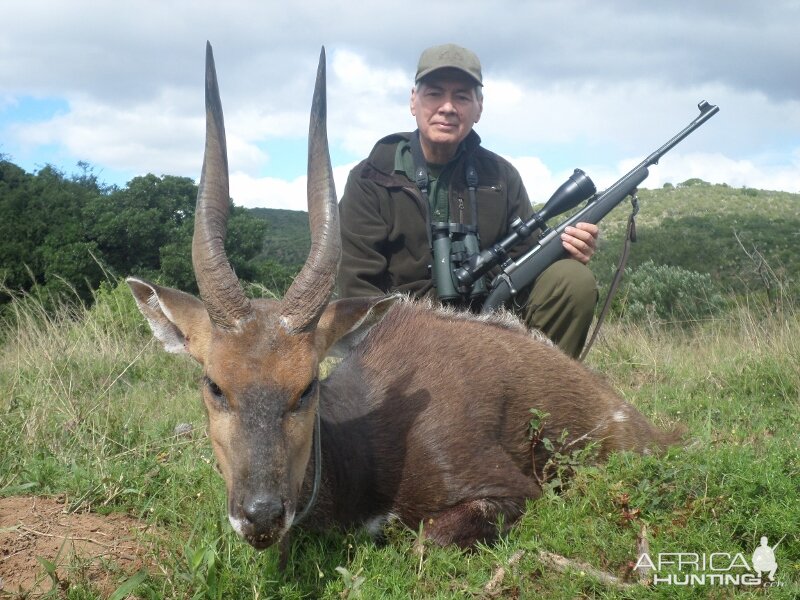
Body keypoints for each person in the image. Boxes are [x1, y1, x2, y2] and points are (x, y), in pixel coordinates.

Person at [338, 43, 599, 359]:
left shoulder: (501, 176)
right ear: (413, 101)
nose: (447, 107)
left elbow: (527, 261)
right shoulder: (371, 177)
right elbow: (357, 289)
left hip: (490, 331)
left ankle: (537, 405)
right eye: (435, 93)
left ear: (479, 108)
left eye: (462, 96)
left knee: (571, 279)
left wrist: (566, 250)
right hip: (404, 343)